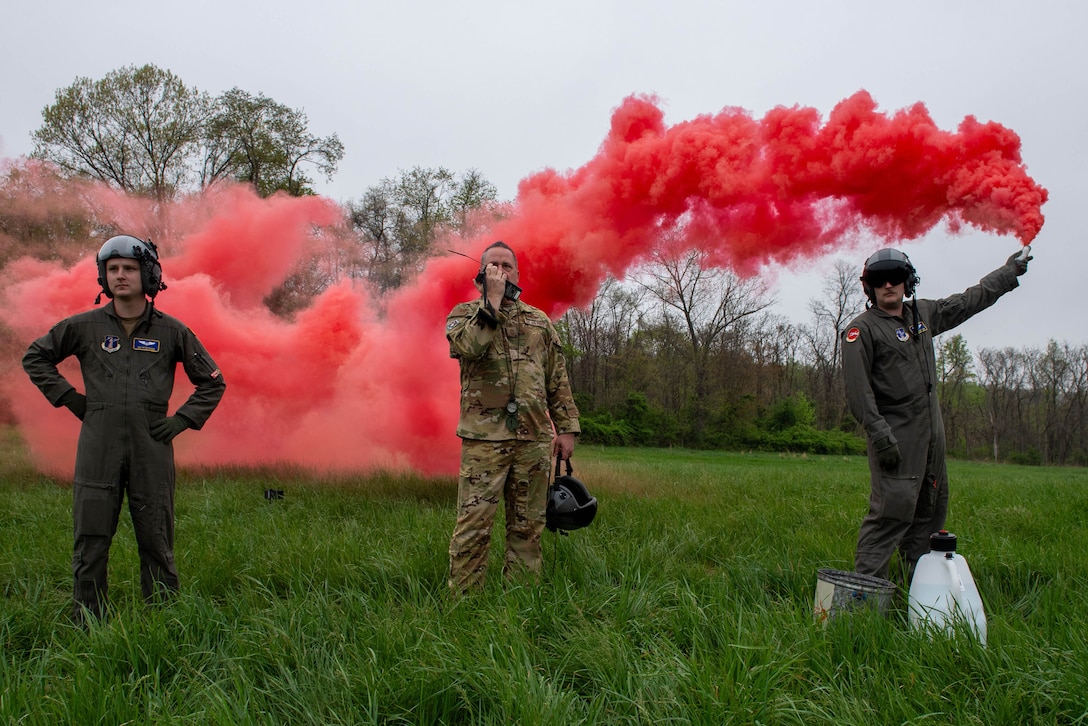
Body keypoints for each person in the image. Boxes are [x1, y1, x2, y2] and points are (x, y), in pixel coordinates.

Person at [22, 234, 226, 623]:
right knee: (92, 539)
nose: (120, 276)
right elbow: (36, 356)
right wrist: (71, 398)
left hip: (152, 447)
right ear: (103, 276)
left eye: (129, 269)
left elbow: (213, 380)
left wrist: (182, 420)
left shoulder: (172, 331)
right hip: (98, 446)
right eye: (112, 269)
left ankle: (161, 620)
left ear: (147, 274)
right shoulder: (83, 326)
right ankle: (88, 621)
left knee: (155, 539)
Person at [841, 246, 1031, 582]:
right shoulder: (861, 330)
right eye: (880, 280)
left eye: (896, 278)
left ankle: (918, 595)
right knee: (890, 516)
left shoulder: (923, 315)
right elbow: (859, 393)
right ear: (868, 286)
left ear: (908, 281)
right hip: (896, 441)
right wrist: (881, 436)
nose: (889, 285)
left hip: (932, 441)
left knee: (929, 515)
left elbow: (969, 301)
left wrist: (1009, 272)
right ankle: (864, 600)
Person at [444, 240, 580, 593]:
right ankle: (464, 603)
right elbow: (469, 347)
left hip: (532, 440)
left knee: (527, 527)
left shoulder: (539, 321)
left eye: (507, 265)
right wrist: (490, 302)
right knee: (474, 526)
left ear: (517, 274)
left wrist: (566, 428)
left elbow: (557, 377)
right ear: (482, 274)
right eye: (494, 265)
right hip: (483, 442)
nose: (501, 271)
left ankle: (520, 604)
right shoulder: (464, 315)